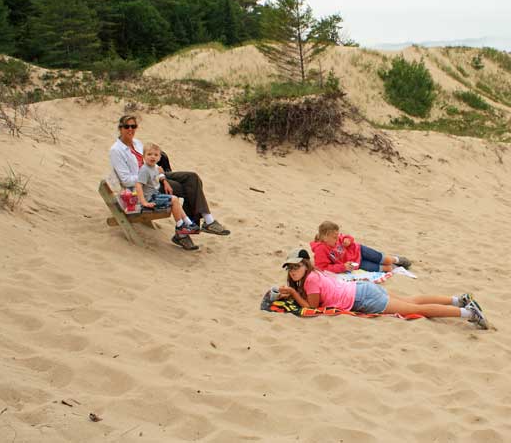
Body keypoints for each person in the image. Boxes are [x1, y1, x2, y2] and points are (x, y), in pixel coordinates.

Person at [276, 248, 488, 329]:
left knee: (416, 309)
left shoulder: (311, 280)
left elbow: (311, 308)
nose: (293, 271)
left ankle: (468, 312)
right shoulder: (316, 274)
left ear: (305, 266)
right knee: (412, 300)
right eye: (290, 268)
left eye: (297, 267)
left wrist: (294, 293)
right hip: (362, 288)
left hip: (363, 299)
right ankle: (457, 300)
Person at [108, 114, 231, 246]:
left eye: (134, 126)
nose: (130, 129)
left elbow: (149, 163)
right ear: (120, 128)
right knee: (188, 188)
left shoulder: (137, 143)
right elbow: (126, 180)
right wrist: (150, 175)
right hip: (145, 186)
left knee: (192, 178)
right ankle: (189, 230)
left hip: (155, 176)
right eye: (127, 126)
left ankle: (205, 222)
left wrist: (162, 177)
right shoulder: (116, 150)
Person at [135, 142, 202, 250]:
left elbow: (160, 173)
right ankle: (181, 225)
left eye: (156, 155)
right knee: (174, 199)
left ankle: (189, 223)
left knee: (175, 202)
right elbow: (138, 185)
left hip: (155, 195)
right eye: (149, 154)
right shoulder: (144, 169)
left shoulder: (154, 167)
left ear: (159, 157)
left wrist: (164, 181)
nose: (153, 157)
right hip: (150, 199)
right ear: (144, 156)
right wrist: (143, 202)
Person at [310, 220, 411, 273]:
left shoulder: (335, 238)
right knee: (386, 268)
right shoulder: (321, 249)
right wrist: (342, 267)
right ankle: (396, 267)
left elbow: (346, 237)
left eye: (337, 236)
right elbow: (324, 267)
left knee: (387, 260)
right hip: (356, 263)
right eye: (334, 237)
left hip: (359, 250)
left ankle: (397, 260)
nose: (337, 239)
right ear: (325, 237)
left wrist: (348, 240)